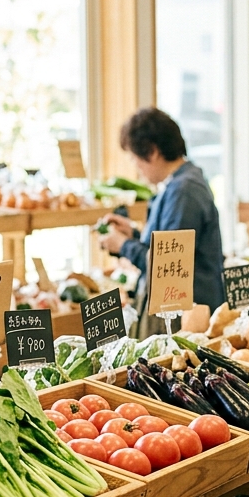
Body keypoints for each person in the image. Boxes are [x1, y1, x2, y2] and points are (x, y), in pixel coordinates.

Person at [98, 108, 224, 335]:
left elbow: (167, 269)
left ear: (153, 151)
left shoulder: (184, 191)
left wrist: (123, 245)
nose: (137, 168)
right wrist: (133, 234)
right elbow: (169, 247)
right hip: (186, 314)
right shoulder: (180, 184)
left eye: (135, 159)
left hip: (188, 321)